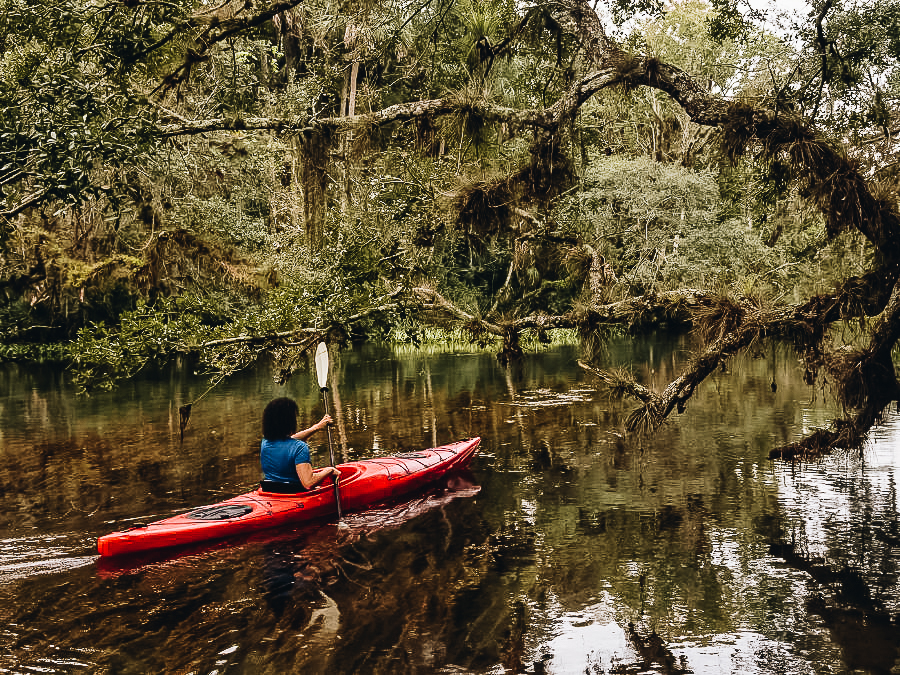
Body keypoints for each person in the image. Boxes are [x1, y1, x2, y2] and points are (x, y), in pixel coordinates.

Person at [260, 397, 339, 492]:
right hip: (294, 494)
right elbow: (308, 483)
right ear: (289, 421)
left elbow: (289, 442)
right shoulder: (300, 447)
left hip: (270, 490)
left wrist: (316, 427)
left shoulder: (266, 442)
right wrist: (330, 470)